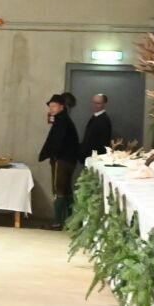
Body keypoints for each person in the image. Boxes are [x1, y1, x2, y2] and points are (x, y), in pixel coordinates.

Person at [40, 92, 85, 227]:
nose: (51, 109)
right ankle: (70, 220)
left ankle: (58, 221)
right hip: (68, 160)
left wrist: (53, 155)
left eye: (54, 106)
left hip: (62, 160)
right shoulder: (63, 120)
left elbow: (57, 142)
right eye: (50, 106)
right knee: (65, 190)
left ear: (61, 107)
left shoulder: (62, 121)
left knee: (58, 190)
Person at [82, 91, 115, 156]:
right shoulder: (96, 116)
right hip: (88, 154)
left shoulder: (104, 120)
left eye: (98, 103)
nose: (94, 105)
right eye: (93, 102)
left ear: (104, 104)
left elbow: (104, 142)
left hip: (95, 156)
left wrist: (96, 157)